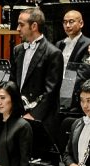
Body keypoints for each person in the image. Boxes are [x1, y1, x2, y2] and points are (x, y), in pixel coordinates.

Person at [11, 7, 62, 143]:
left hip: (40, 119)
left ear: (34, 26)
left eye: (21, 25)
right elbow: (13, 83)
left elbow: (51, 92)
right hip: (18, 114)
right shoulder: (17, 50)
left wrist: (33, 115)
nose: (17, 28)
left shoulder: (53, 53)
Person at [58, 9, 90, 110]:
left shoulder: (88, 44)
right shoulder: (59, 44)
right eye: (65, 22)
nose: (67, 25)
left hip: (74, 93)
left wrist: (63, 88)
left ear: (81, 23)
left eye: (71, 22)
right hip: (58, 90)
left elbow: (83, 73)